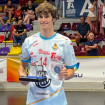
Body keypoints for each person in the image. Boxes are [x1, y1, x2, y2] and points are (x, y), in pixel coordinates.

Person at [18, 1, 77, 105]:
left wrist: (67, 74)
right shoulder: (29, 41)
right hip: (34, 100)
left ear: (53, 19)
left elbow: (71, 70)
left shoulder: (65, 42)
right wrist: (23, 76)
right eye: (40, 17)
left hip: (57, 100)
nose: (43, 20)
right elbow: (22, 65)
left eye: (46, 16)